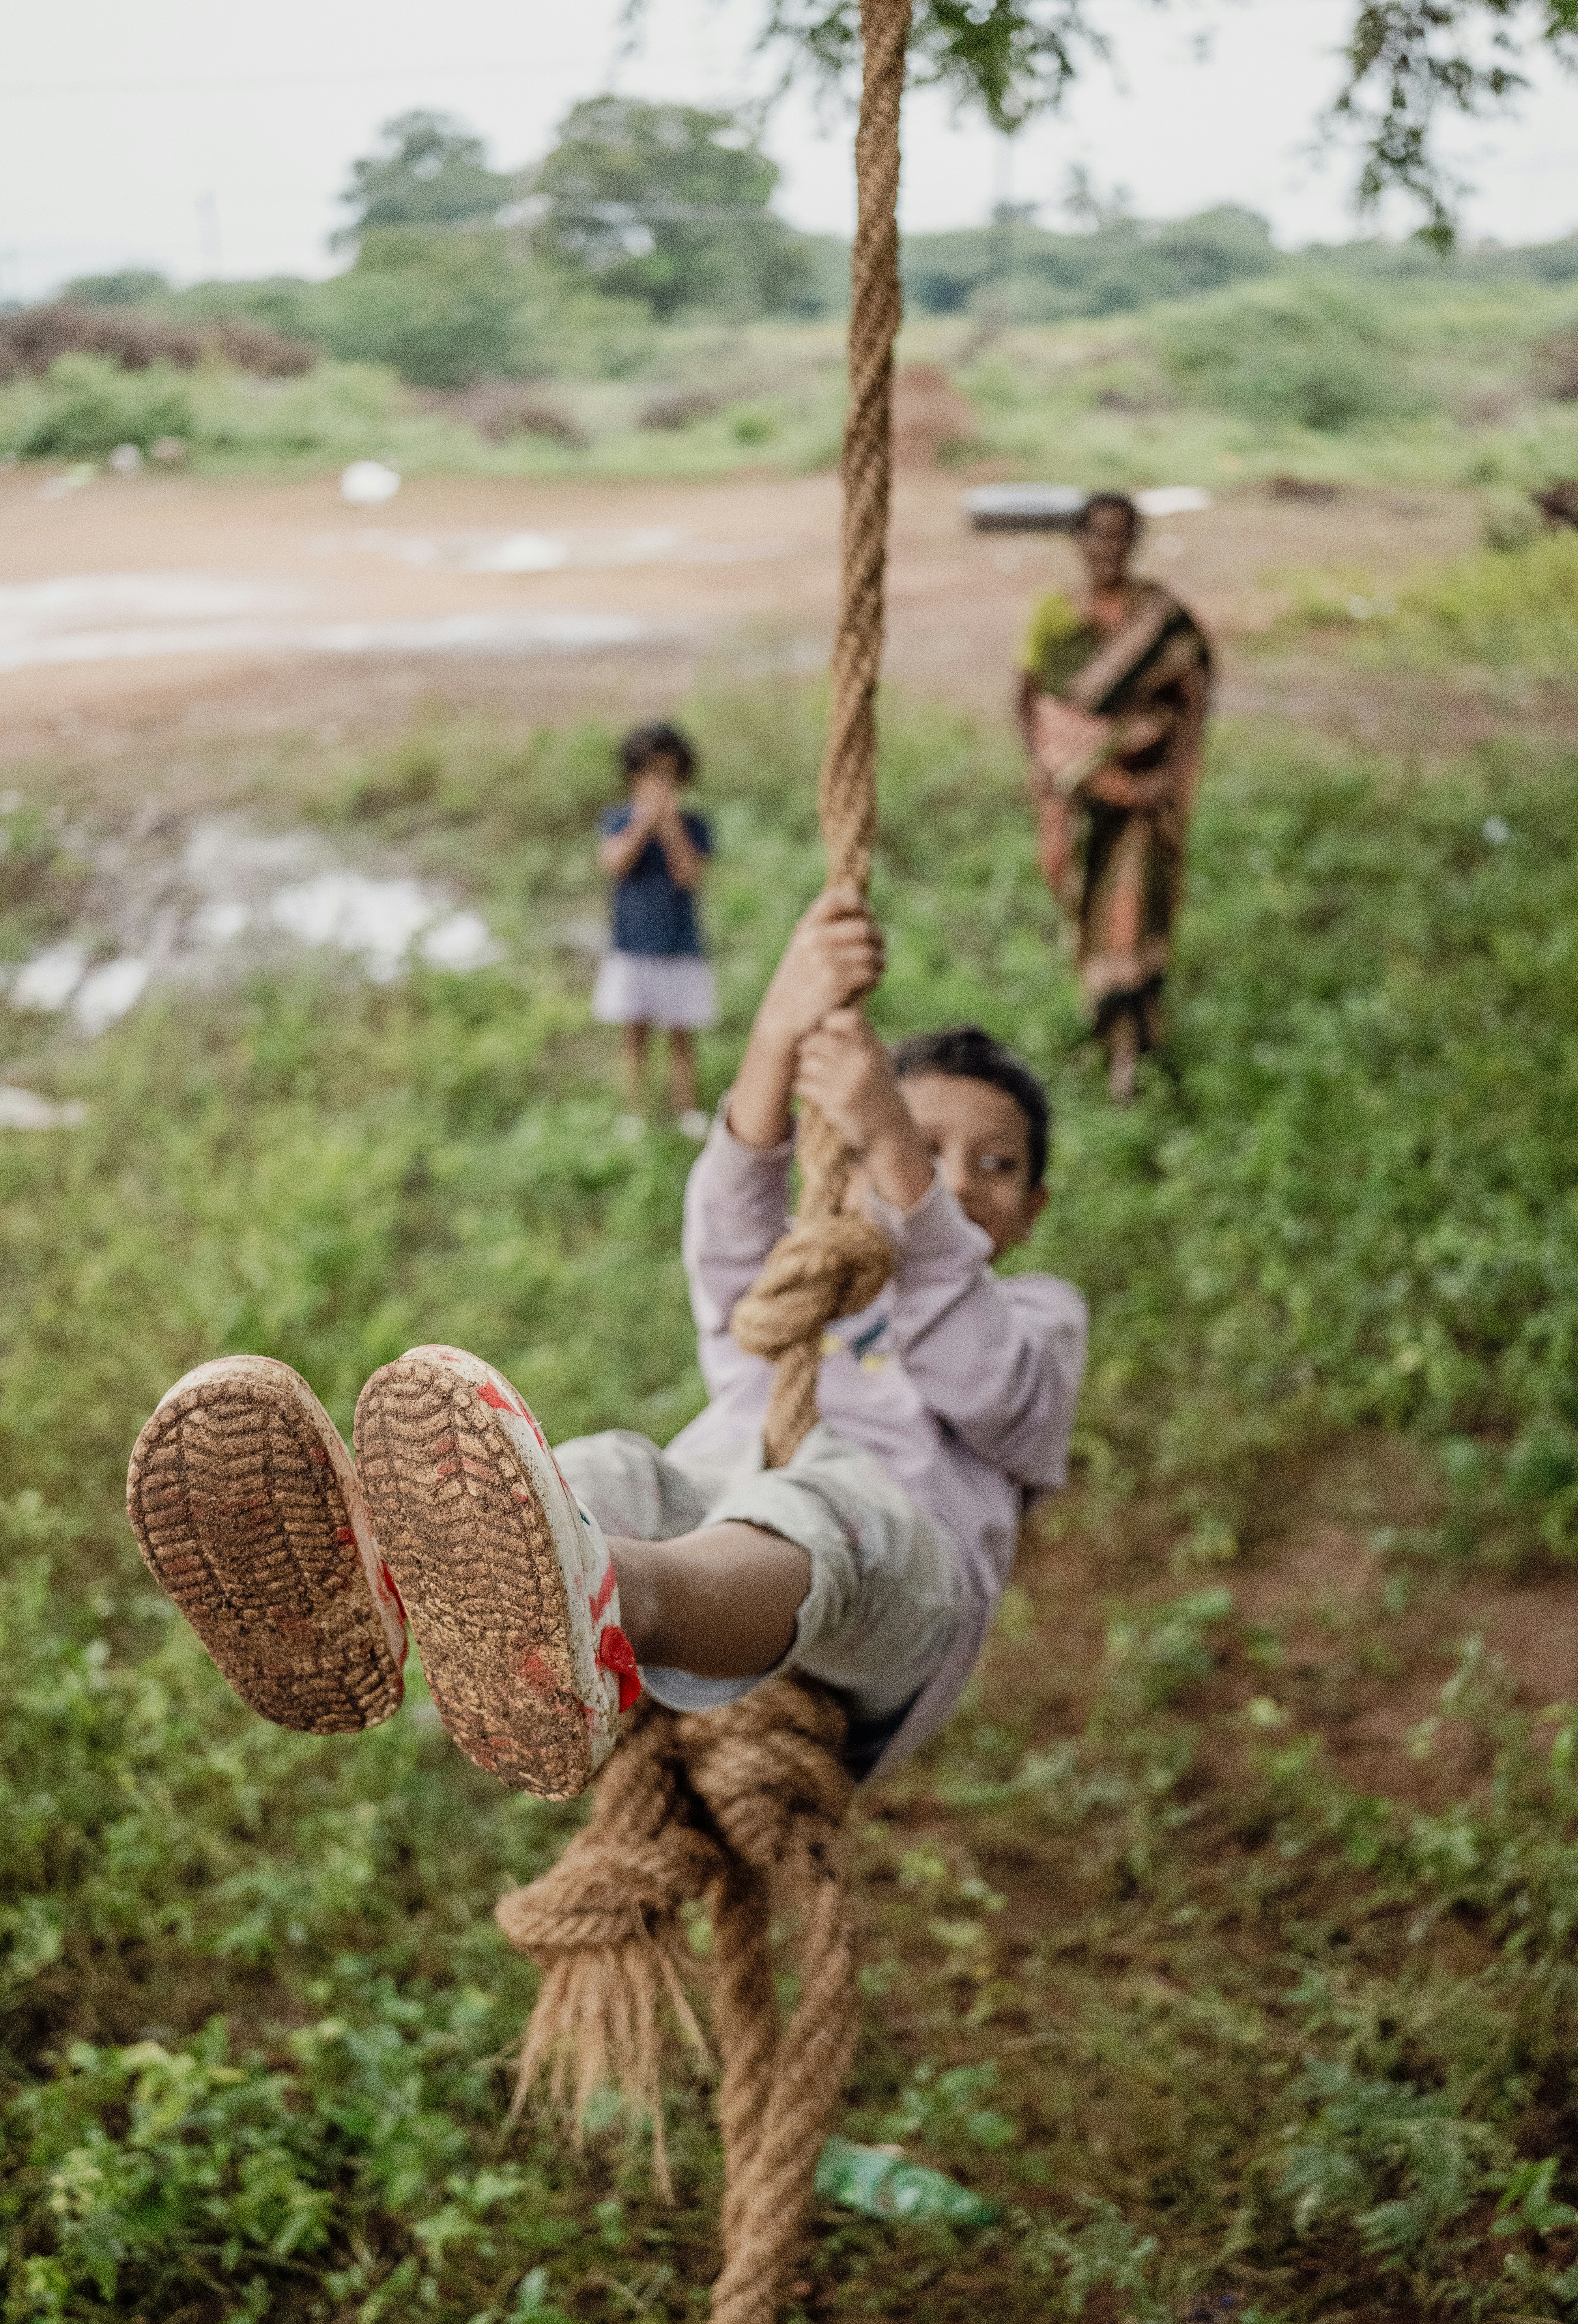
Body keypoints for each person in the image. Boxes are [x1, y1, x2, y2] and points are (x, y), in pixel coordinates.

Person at [126, 887, 1088, 1802]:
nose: (955, 1179)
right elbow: (729, 1236)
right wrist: (775, 1033)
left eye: (993, 1163)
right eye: (925, 1146)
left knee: (821, 1507)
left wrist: (893, 1142)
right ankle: (368, 1582)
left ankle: (602, 1596)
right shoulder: (808, 1287)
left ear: (1034, 1205)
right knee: (616, 1472)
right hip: (724, 1527)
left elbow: (988, 1382)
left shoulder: (1036, 1315)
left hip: (899, 1587)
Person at [1015, 492, 1212, 1102]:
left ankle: (1133, 1042)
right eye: (1098, 535)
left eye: (1121, 535)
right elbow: (1031, 697)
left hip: (1147, 800)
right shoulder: (1055, 616)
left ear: (1135, 542)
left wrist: (1170, 775)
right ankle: (1108, 1026)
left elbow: (1193, 698)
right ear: (1078, 541)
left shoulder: (1162, 617)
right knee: (1088, 905)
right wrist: (1052, 767)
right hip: (1080, 798)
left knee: (1134, 913)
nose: (1109, 548)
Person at [594, 720, 716, 1140]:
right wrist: (643, 825)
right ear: (634, 776)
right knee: (635, 1034)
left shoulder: (693, 826)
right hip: (632, 945)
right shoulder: (618, 821)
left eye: (669, 775)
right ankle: (634, 1113)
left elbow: (690, 876)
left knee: (682, 1035)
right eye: (652, 774)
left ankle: (687, 1110)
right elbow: (614, 863)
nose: (661, 785)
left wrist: (670, 829)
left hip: (680, 945)